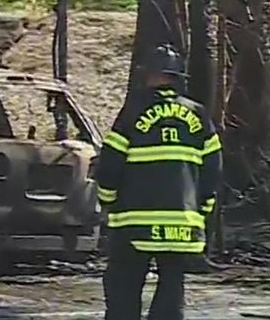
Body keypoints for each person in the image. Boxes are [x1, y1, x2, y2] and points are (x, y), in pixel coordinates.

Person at [95, 43, 222, 320]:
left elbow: (110, 164)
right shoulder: (199, 116)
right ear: (177, 78)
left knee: (123, 290)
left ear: (150, 76)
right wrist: (203, 209)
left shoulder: (132, 112)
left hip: (134, 223)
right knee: (171, 290)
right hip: (181, 225)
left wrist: (106, 200)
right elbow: (213, 169)